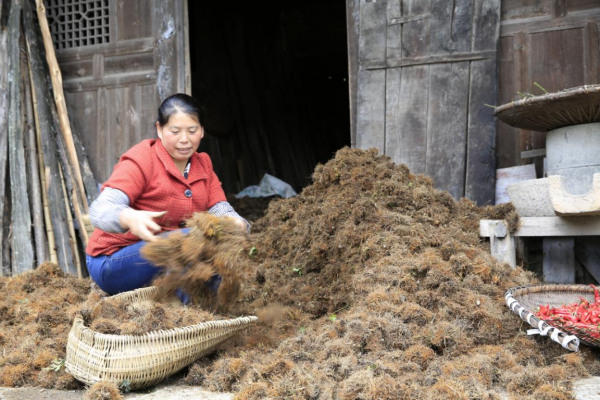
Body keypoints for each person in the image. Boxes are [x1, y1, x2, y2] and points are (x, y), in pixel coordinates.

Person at [85, 93, 248, 297]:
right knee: (190, 241)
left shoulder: (203, 164)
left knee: (212, 245)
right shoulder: (142, 159)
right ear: (159, 130)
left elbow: (221, 208)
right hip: (114, 262)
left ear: (202, 131)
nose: (184, 140)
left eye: (192, 130)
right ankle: (187, 317)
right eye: (175, 131)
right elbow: (100, 209)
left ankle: (215, 310)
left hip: (170, 257)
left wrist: (236, 224)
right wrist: (128, 217)